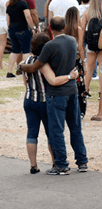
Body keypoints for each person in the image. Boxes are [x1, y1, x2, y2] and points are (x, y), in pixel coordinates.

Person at [20, 16, 88, 175]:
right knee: (75, 128)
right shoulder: (72, 40)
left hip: (56, 93)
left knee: (57, 130)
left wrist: (21, 66)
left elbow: (34, 67)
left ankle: (61, 164)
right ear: (64, 26)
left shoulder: (49, 46)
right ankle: (82, 161)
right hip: (72, 90)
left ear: (50, 28)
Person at [22, 33, 76, 174]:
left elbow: (25, 82)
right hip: (45, 101)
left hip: (29, 99)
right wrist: (70, 76)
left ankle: (33, 165)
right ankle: (55, 161)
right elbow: (52, 81)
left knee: (32, 133)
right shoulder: (45, 63)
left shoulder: (26, 61)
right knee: (51, 133)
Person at [6, 0, 36, 78]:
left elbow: (8, 21)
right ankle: (24, 70)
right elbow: (28, 16)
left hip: (12, 30)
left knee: (15, 51)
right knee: (26, 50)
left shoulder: (9, 6)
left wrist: (10, 28)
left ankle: (9, 72)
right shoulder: (23, 3)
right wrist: (33, 27)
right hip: (23, 29)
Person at [81, 0, 102, 95]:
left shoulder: (87, 13)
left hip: (90, 44)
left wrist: (81, 44)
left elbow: (82, 29)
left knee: (90, 69)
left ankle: (85, 90)